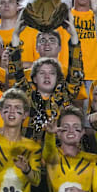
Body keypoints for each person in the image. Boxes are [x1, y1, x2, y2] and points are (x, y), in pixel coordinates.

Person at [9, 13, 83, 141]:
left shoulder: (64, 92)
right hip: (29, 151)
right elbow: (15, 72)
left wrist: (74, 36)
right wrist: (15, 36)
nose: (47, 76)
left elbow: (76, 73)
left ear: (58, 77)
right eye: (42, 73)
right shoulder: (26, 92)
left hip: (59, 150)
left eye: (52, 73)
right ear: (35, 78)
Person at [43, 106, 97, 192]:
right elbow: (48, 152)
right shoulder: (53, 158)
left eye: (76, 127)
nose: (71, 131)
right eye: (65, 127)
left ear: (83, 131)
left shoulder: (92, 160)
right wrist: (49, 135)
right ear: (59, 132)